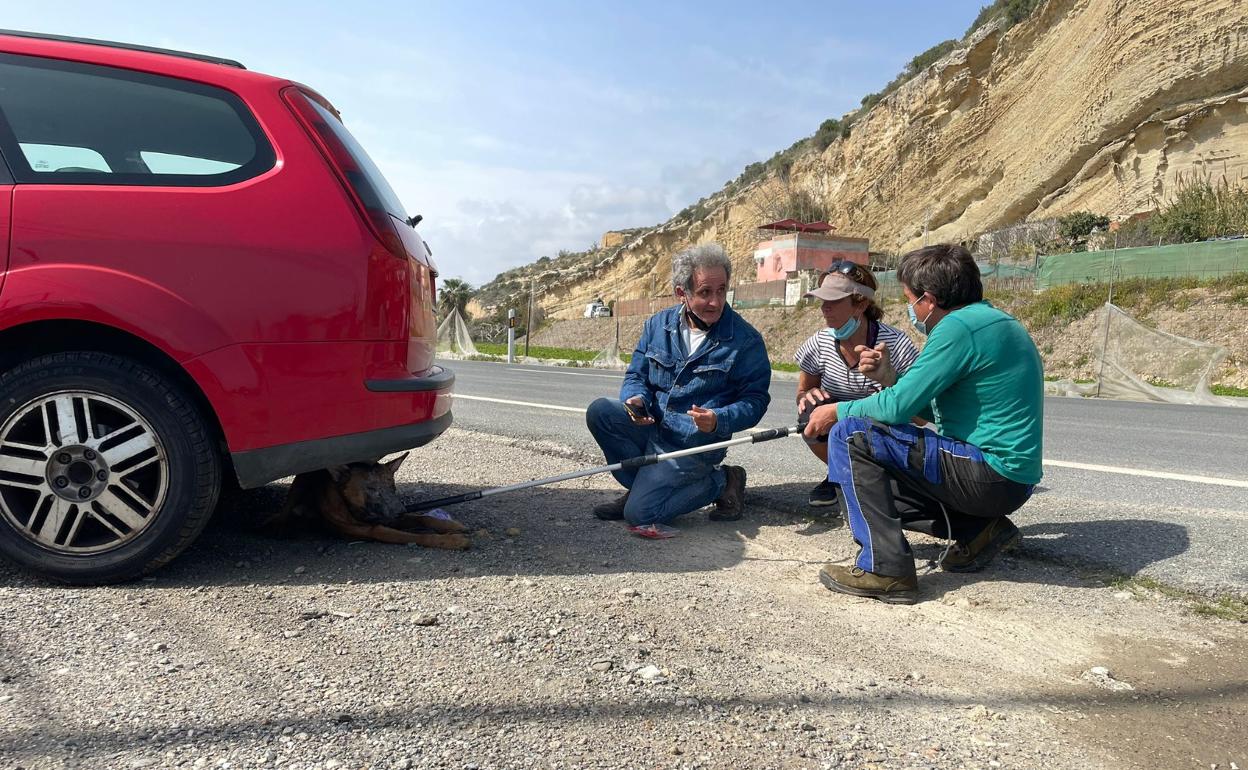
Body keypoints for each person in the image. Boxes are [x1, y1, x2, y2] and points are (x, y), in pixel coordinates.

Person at [802, 244, 1043, 604]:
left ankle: (885, 569)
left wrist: (836, 411)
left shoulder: (957, 328)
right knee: (873, 488)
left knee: (850, 435)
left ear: (928, 300)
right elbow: (929, 409)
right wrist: (889, 376)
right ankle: (980, 531)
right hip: (1007, 481)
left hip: (990, 473)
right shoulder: (992, 322)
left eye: (910, 300)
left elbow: (899, 409)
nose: (911, 311)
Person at [586, 243, 772, 527]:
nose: (716, 301)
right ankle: (643, 489)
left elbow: (756, 400)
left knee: (640, 515)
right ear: (681, 293)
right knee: (601, 411)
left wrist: (719, 420)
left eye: (721, 290)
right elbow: (637, 375)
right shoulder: (657, 326)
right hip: (653, 431)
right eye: (705, 292)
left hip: (693, 447)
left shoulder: (746, 341)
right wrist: (635, 399)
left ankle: (722, 481)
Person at [795, 261, 919, 509]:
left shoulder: (896, 345)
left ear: (860, 304)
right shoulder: (818, 343)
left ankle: (883, 478)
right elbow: (802, 390)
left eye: (833, 302)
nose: (824, 309)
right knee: (810, 414)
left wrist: (889, 376)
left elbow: (919, 414)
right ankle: (839, 474)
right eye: (822, 301)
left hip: (881, 426)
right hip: (837, 424)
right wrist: (807, 395)